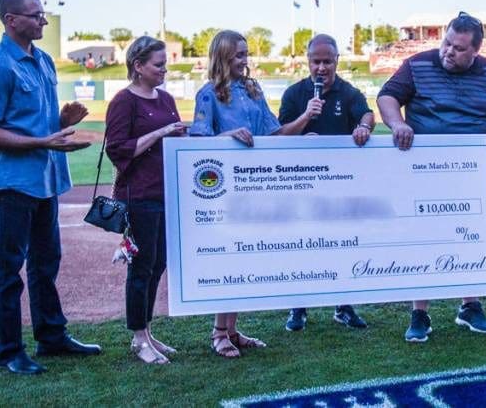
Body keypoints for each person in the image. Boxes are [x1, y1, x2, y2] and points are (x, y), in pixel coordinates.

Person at [0, 0, 101, 375]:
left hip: (45, 179)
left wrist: (62, 123)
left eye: (43, 13)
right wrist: (44, 140)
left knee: (46, 263)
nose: (43, 20)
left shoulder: (43, 60)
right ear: (11, 20)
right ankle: (10, 351)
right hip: (13, 183)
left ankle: (51, 336)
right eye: (35, 14)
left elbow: (36, 124)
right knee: (9, 268)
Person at [377, 12, 486, 342]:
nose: (448, 51)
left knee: (470, 234)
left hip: (471, 170)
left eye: (458, 48)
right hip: (422, 168)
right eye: (446, 43)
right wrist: (397, 123)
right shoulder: (418, 64)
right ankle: (420, 312)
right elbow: (387, 96)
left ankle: (469, 305)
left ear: (475, 51)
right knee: (423, 236)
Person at [190, 29, 284, 357]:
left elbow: (274, 132)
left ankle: (232, 328)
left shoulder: (254, 91)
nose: (245, 62)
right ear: (223, 57)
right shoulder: (208, 94)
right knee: (230, 258)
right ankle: (218, 332)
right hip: (226, 190)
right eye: (238, 56)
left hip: (257, 185)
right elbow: (198, 140)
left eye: (246, 55)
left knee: (246, 257)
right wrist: (229, 134)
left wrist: (305, 130)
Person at [278, 34, 374, 331]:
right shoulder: (295, 94)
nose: (321, 68)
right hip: (302, 183)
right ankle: (298, 306)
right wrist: (306, 119)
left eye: (327, 61)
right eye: (316, 61)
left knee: (342, 243)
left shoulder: (348, 92)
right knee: (302, 244)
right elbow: (281, 134)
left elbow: (367, 114)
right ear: (307, 61)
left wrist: (363, 126)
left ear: (336, 61)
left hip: (340, 183)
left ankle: (343, 305)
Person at [105, 36, 186, 364]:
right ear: (138, 66)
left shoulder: (165, 99)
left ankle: (148, 332)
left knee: (157, 265)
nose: (164, 69)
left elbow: (178, 139)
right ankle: (138, 338)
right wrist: (160, 133)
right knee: (141, 267)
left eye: (165, 63)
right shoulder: (124, 101)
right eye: (158, 64)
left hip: (166, 193)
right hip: (139, 196)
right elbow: (118, 149)